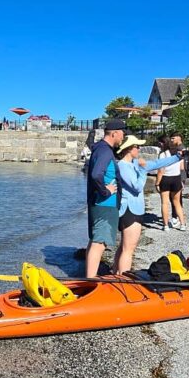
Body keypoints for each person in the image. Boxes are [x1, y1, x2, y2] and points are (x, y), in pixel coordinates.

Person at [114, 135, 183, 274]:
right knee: (129, 249)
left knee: (124, 247)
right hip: (129, 210)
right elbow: (137, 186)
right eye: (136, 147)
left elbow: (156, 164)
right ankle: (124, 280)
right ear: (128, 149)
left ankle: (116, 273)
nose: (139, 149)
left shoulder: (133, 163)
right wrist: (143, 170)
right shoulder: (123, 166)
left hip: (134, 209)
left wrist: (177, 157)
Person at [84, 119, 127, 277]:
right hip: (105, 204)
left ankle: (88, 278)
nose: (123, 137)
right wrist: (106, 191)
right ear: (114, 133)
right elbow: (96, 174)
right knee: (99, 243)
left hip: (100, 203)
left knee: (95, 241)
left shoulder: (101, 149)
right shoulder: (105, 151)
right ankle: (90, 282)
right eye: (122, 133)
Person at [156, 134, 187, 231]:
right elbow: (182, 167)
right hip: (176, 178)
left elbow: (161, 170)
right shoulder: (178, 154)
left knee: (165, 203)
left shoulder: (163, 155)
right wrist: (182, 180)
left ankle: (165, 225)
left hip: (165, 178)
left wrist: (157, 183)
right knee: (177, 203)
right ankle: (182, 224)